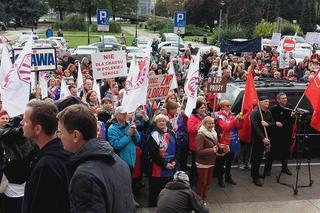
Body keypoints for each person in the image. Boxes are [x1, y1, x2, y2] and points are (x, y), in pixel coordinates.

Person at [57, 104, 135, 212]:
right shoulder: (119, 161)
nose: (59, 136)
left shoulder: (85, 176)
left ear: (75, 135)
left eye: (60, 132)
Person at [22, 100, 70, 213]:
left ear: (37, 129)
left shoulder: (46, 166)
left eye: (25, 120)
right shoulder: (60, 152)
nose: (21, 123)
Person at [250, 96, 281, 187]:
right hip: (258, 139)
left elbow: (272, 122)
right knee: (256, 158)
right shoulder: (255, 113)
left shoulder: (268, 112)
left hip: (267, 138)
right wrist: (262, 138)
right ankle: (255, 177)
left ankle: (255, 172)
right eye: (265, 101)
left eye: (268, 101)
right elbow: (255, 127)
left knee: (260, 158)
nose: (267, 103)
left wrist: (268, 124)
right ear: (259, 102)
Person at [148, 114, 177, 207]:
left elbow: (177, 148)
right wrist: (165, 164)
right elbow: (154, 153)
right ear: (156, 123)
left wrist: (175, 161)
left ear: (166, 122)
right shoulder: (154, 135)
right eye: (159, 121)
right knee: (156, 190)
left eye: (163, 121)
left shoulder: (171, 133)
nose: (161, 122)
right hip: (157, 168)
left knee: (168, 190)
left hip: (171, 166)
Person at [264, 92, 295, 176]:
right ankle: (267, 169)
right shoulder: (273, 109)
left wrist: (293, 117)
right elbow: (269, 121)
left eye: (285, 98)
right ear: (278, 100)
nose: (285, 99)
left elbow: (292, 123)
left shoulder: (291, 108)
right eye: (283, 98)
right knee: (271, 153)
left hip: (286, 134)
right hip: (275, 135)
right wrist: (275, 123)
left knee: (286, 152)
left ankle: (284, 168)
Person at [215, 100, 243, 187]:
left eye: (230, 105)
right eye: (227, 105)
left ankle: (228, 177)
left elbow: (239, 127)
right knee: (221, 163)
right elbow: (225, 128)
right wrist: (235, 120)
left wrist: (241, 120)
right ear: (222, 107)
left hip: (232, 141)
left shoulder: (232, 115)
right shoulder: (218, 116)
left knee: (229, 162)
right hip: (222, 142)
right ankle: (220, 179)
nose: (230, 107)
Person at [195, 116, 218, 204]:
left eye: (212, 123)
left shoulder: (213, 133)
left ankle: (204, 198)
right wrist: (213, 150)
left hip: (211, 161)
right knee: (202, 182)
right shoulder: (201, 135)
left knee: (208, 182)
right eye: (209, 123)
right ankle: (199, 199)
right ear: (204, 124)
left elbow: (215, 146)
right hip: (203, 163)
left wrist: (222, 149)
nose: (211, 125)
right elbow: (199, 151)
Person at [187, 101, 207, 186]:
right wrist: (202, 122)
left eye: (204, 107)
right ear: (196, 109)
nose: (204, 109)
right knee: (195, 164)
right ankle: (192, 181)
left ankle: (198, 179)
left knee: (201, 164)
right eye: (201, 108)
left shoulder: (204, 116)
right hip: (195, 144)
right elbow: (191, 130)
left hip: (203, 144)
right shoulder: (192, 117)